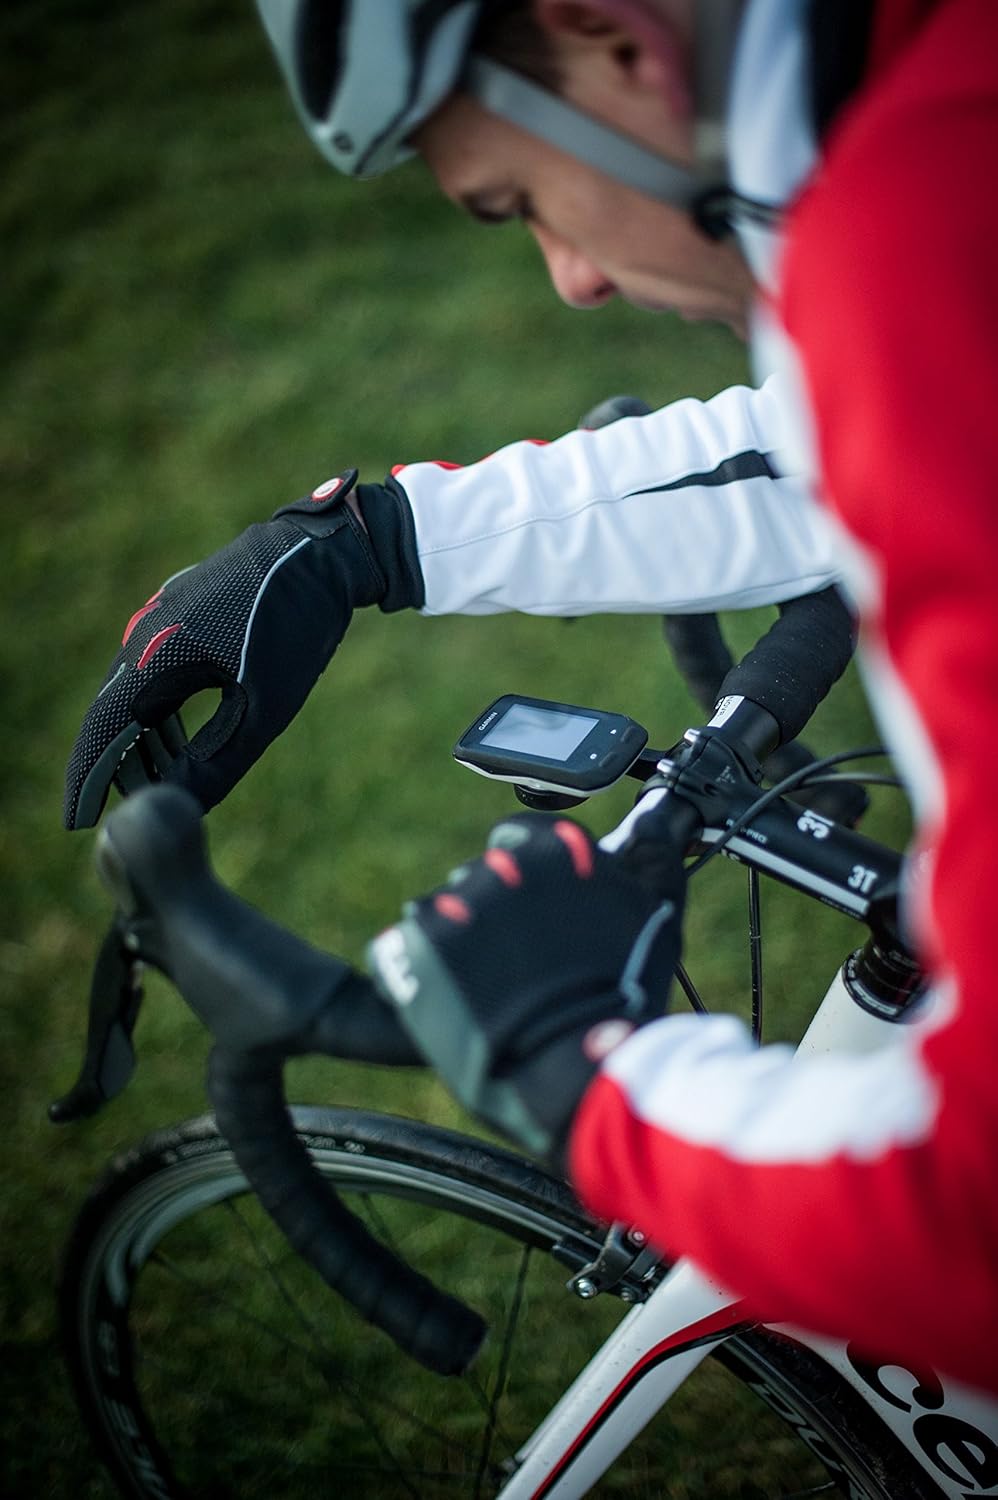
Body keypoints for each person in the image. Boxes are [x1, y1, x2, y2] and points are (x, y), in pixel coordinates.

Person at [64, 0, 997, 1397]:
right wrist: (372, 545)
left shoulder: (903, 228)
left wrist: (593, 1079)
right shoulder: (943, 108)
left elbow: (968, 1232)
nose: (572, 282)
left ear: (603, 29)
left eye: (520, 203)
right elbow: (822, 451)